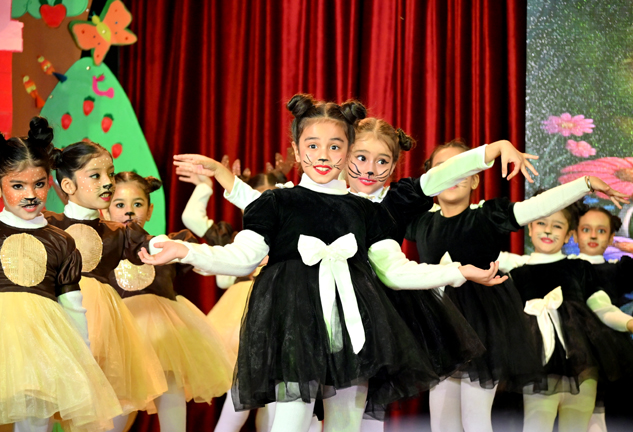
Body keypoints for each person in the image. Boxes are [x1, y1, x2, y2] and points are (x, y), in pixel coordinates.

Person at [139, 94, 505, 432]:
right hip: (297, 328)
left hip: (353, 331)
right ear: (297, 151)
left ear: (348, 150)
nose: (324, 156)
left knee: (346, 423)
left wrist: (458, 271)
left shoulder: (367, 212)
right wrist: (185, 250)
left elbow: (395, 269)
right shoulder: (276, 203)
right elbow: (243, 257)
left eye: (335, 146)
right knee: (290, 421)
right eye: (313, 146)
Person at [405, 140, 631, 432]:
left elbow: (537, 207)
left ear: (475, 178)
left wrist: (584, 183)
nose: (453, 175)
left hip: (482, 328)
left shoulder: (487, 216)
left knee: (474, 420)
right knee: (441, 423)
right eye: (443, 169)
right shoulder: (420, 222)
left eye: (462, 168)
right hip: (440, 329)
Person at [0, 117, 121, 432]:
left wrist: (83, 358)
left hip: (43, 344)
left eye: (39, 184)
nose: (31, 194)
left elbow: (73, 305)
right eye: (17, 185)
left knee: (35, 419)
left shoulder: (61, 241)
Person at [46, 141, 168, 432]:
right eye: (96, 175)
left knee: (99, 406)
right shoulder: (49, 225)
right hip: (55, 317)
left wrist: (192, 251)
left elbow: (152, 245)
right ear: (68, 185)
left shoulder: (118, 233)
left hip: (102, 321)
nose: (107, 183)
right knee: (45, 404)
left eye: (110, 174)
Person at [103, 171, 234, 432]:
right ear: (105, 209)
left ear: (150, 210)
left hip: (165, 335)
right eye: (119, 204)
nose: (129, 211)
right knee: (117, 409)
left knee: (171, 387)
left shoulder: (168, 245)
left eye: (137, 204)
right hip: (121, 337)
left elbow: (210, 257)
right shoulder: (102, 252)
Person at [507, 200, 633, 432]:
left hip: (582, 364)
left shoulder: (579, 268)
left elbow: (602, 307)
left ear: (568, 235)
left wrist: (628, 322)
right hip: (537, 366)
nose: (548, 230)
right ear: (530, 228)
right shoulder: (516, 274)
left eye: (557, 225)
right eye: (541, 223)